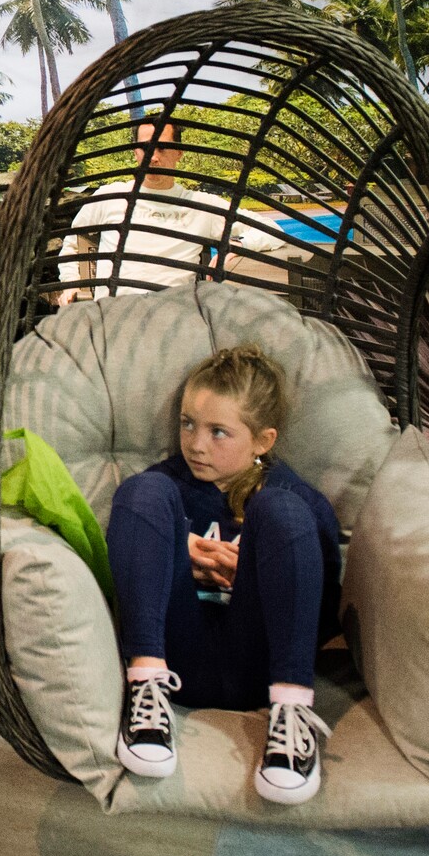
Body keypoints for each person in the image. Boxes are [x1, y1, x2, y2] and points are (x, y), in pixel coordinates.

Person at [106, 345, 340, 806]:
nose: (196, 444)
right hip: (174, 659)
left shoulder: (294, 497)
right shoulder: (167, 487)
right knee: (140, 492)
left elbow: (325, 608)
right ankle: (144, 697)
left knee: (282, 511)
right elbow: (126, 566)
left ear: (263, 440)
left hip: (259, 666)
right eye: (188, 423)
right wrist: (176, 549)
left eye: (219, 432)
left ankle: (292, 714)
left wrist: (256, 571)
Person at [58, 116, 291, 302]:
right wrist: (70, 284)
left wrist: (238, 245)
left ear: (179, 152)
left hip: (173, 323)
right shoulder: (109, 197)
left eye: (162, 148)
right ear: (135, 152)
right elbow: (72, 244)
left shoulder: (201, 206)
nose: (153, 157)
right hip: (112, 320)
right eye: (145, 147)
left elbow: (272, 230)